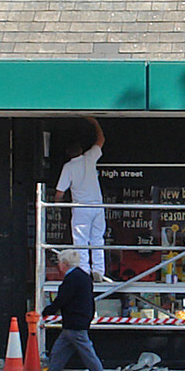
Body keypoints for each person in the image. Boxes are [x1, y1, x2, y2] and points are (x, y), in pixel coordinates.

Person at [16, 250, 114, 371]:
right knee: (58, 355)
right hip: (76, 323)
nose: (58, 266)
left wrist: (46, 311)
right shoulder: (83, 276)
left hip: (74, 324)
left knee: (88, 357)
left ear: (64, 264)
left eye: (59, 262)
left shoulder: (72, 279)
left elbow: (63, 299)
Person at [54, 117, 107, 281]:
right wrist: (94, 122)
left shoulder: (68, 167)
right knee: (98, 238)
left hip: (81, 207)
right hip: (97, 205)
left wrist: (57, 206)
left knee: (81, 240)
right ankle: (98, 271)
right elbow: (101, 139)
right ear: (80, 149)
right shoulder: (89, 158)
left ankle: (84, 271)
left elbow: (59, 193)